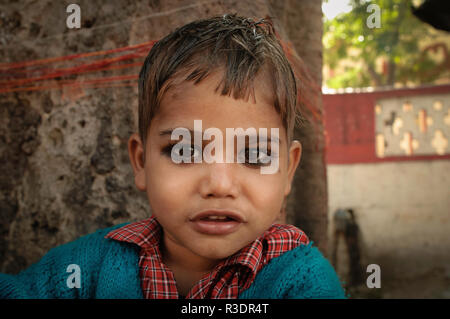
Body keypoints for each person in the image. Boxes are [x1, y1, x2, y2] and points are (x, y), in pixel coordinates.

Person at [0, 14, 346, 299]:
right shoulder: (88, 268)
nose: (219, 185)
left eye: (255, 155)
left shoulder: (303, 282)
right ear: (140, 161)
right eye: (185, 150)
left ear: (288, 170)